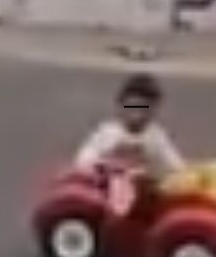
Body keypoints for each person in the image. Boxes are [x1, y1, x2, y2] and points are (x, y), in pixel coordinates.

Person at [74, 72, 188, 216]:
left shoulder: (156, 137)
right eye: (131, 107)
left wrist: (160, 175)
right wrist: (99, 166)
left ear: (153, 111)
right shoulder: (108, 132)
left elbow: (174, 166)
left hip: (143, 192)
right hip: (107, 186)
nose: (137, 115)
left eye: (144, 109)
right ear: (120, 106)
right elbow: (85, 158)